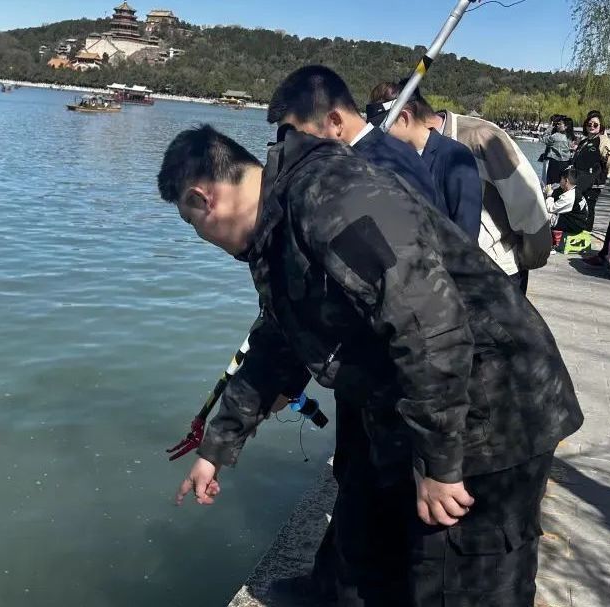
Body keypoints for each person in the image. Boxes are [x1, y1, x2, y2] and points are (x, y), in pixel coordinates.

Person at [160, 124, 583, 607]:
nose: (203, 239)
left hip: (492, 403)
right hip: (410, 401)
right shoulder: (277, 228)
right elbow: (278, 341)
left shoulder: (334, 201)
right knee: (368, 537)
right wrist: (218, 444)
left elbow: (431, 330)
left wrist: (442, 463)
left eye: (192, 226)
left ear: (202, 198)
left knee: (459, 579)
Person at [366, 81, 552, 293]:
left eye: (383, 130)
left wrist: (530, 258)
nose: (381, 140)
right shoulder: (406, 153)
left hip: (496, 270)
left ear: (404, 117)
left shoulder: (480, 138)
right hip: (442, 277)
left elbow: (528, 202)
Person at [265, 66, 480, 239]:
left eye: (301, 137)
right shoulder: (398, 154)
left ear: (335, 122)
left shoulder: (375, 169)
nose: (296, 148)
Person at [357, 82, 484, 241]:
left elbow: (467, 231)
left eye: (383, 129)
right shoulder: (389, 160)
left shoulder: (455, 156)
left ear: (403, 118)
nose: (379, 136)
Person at [572, 110, 610, 232]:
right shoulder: (584, 141)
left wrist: (608, 173)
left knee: (588, 208)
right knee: (577, 207)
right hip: (579, 180)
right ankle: (576, 231)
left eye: (595, 124)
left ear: (601, 126)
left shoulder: (603, 140)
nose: (592, 126)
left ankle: (586, 234)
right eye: (589, 124)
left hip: (593, 182)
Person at [545, 168, 586, 236]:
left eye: (561, 179)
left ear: (566, 181)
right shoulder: (575, 190)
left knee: (545, 215)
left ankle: (540, 238)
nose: (560, 181)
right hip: (577, 221)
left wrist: (549, 194)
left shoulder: (569, 196)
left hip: (575, 226)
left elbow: (550, 208)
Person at [540, 116, 576, 185]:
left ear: (565, 126)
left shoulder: (556, 136)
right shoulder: (571, 137)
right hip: (566, 163)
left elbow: (544, 139)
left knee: (550, 183)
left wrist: (550, 128)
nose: (557, 125)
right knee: (561, 183)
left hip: (555, 162)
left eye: (560, 124)